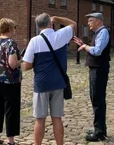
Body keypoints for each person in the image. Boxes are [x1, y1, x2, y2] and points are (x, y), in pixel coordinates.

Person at [22, 13, 76, 145]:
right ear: (50, 24)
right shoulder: (61, 35)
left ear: (38, 26)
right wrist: (58, 18)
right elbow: (73, 24)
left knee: (40, 119)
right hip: (58, 82)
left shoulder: (34, 41)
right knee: (57, 118)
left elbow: (26, 66)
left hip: (41, 83)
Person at [73, 12, 111, 142]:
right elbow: (94, 48)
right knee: (95, 98)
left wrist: (85, 46)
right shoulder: (98, 33)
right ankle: (99, 129)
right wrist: (83, 44)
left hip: (99, 70)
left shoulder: (103, 32)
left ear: (98, 21)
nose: (88, 23)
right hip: (95, 69)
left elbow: (97, 51)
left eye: (91, 20)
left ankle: (100, 133)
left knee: (97, 100)